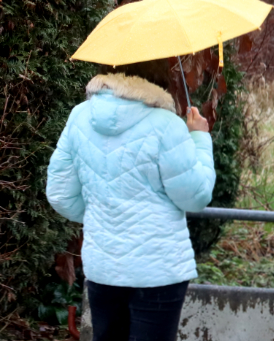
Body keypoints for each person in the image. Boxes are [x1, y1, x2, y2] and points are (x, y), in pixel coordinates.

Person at [46, 59, 216, 341]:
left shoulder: (79, 116)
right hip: (158, 271)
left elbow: (60, 193)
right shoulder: (167, 126)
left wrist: (102, 212)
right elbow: (195, 196)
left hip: (103, 266)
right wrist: (199, 138)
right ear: (160, 75)